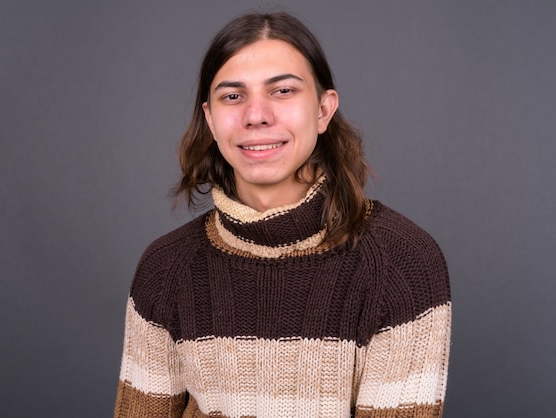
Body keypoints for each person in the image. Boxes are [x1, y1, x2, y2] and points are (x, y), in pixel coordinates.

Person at [114, 11, 451, 418]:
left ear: (324, 110)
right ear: (211, 120)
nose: (256, 115)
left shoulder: (402, 264)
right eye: (233, 96)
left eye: (283, 91)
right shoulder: (165, 268)